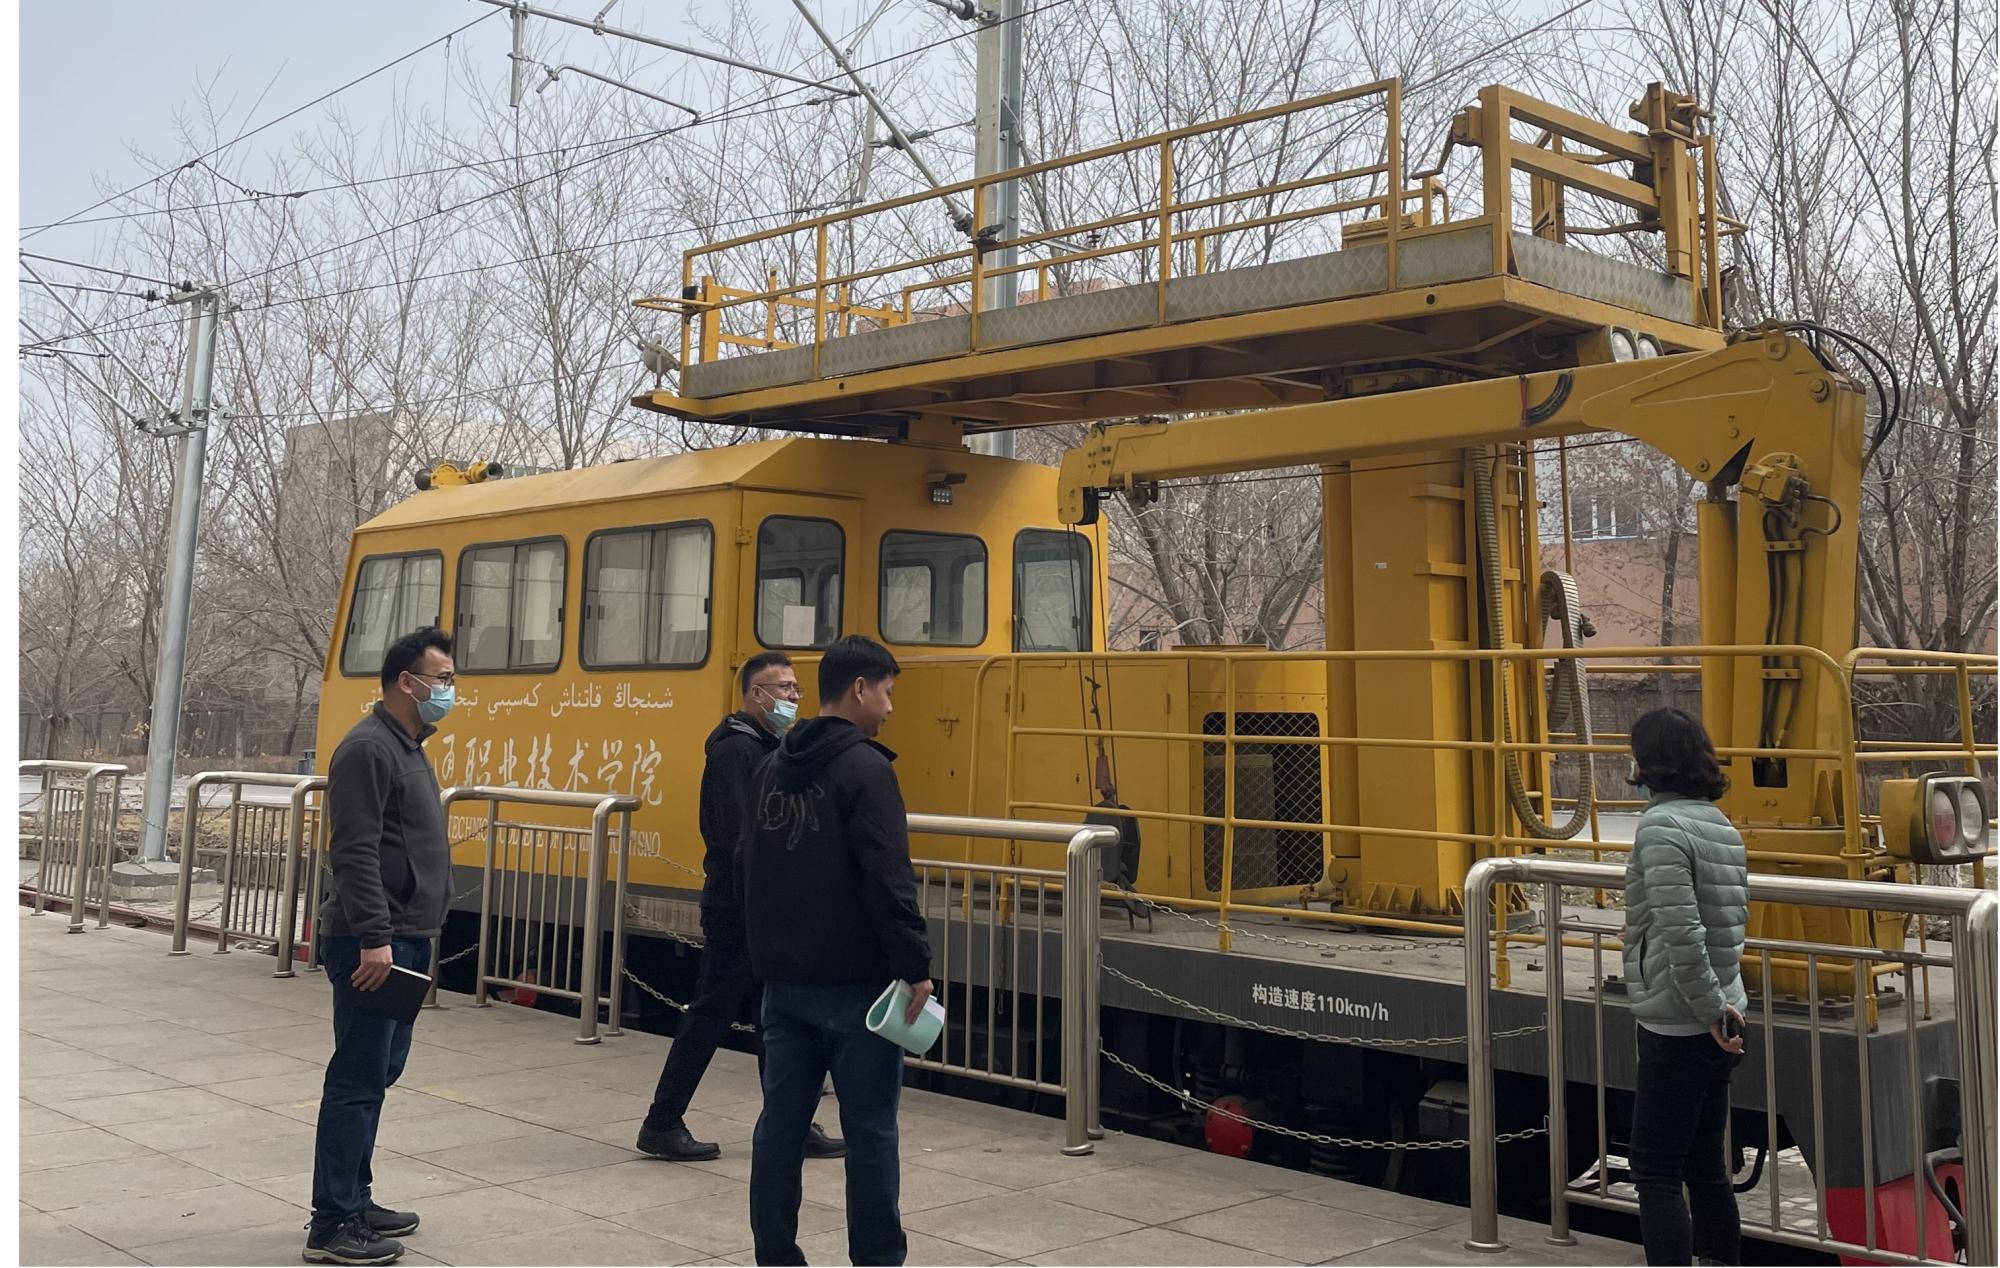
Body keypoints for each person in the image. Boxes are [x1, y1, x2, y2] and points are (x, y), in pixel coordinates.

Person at [740, 635, 933, 1267]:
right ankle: (877, 1259)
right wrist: (914, 966)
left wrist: (765, 960)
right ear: (859, 688)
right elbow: (888, 878)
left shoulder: (771, 767)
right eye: (887, 692)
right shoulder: (867, 770)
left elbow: (750, 867)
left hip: (783, 986)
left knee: (780, 1127)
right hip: (857, 988)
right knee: (870, 1131)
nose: (890, 707)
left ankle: (776, 1255)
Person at [637, 651, 843, 1162]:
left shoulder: (770, 746)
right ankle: (661, 1121)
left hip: (762, 905)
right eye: (785, 688)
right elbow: (740, 836)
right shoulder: (736, 751)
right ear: (756, 695)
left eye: (796, 688)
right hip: (739, 907)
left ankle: (791, 1122)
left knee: (776, 1020)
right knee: (713, 1013)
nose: (794, 696)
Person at [304, 627, 456, 1266]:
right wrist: (374, 937)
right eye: (442, 679)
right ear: (406, 682)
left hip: (406, 937)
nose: (449, 690)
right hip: (375, 943)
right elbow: (354, 850)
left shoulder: (407, 746)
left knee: (380, 1071)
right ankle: (332, 1223)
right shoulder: (368, 748)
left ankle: (356, 1200)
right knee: (358, 1077)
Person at [1621, 707, 1749, 1266]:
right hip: (1722, 1008)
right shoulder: (1718, 823)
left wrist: (1709, 1012)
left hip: (1681, 1019)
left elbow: (1684, 932)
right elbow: (1717, 919)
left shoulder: (1659, 827)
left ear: (1650, 763)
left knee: (1655, 1170)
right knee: (1705, 1167)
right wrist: (1723, 1009)